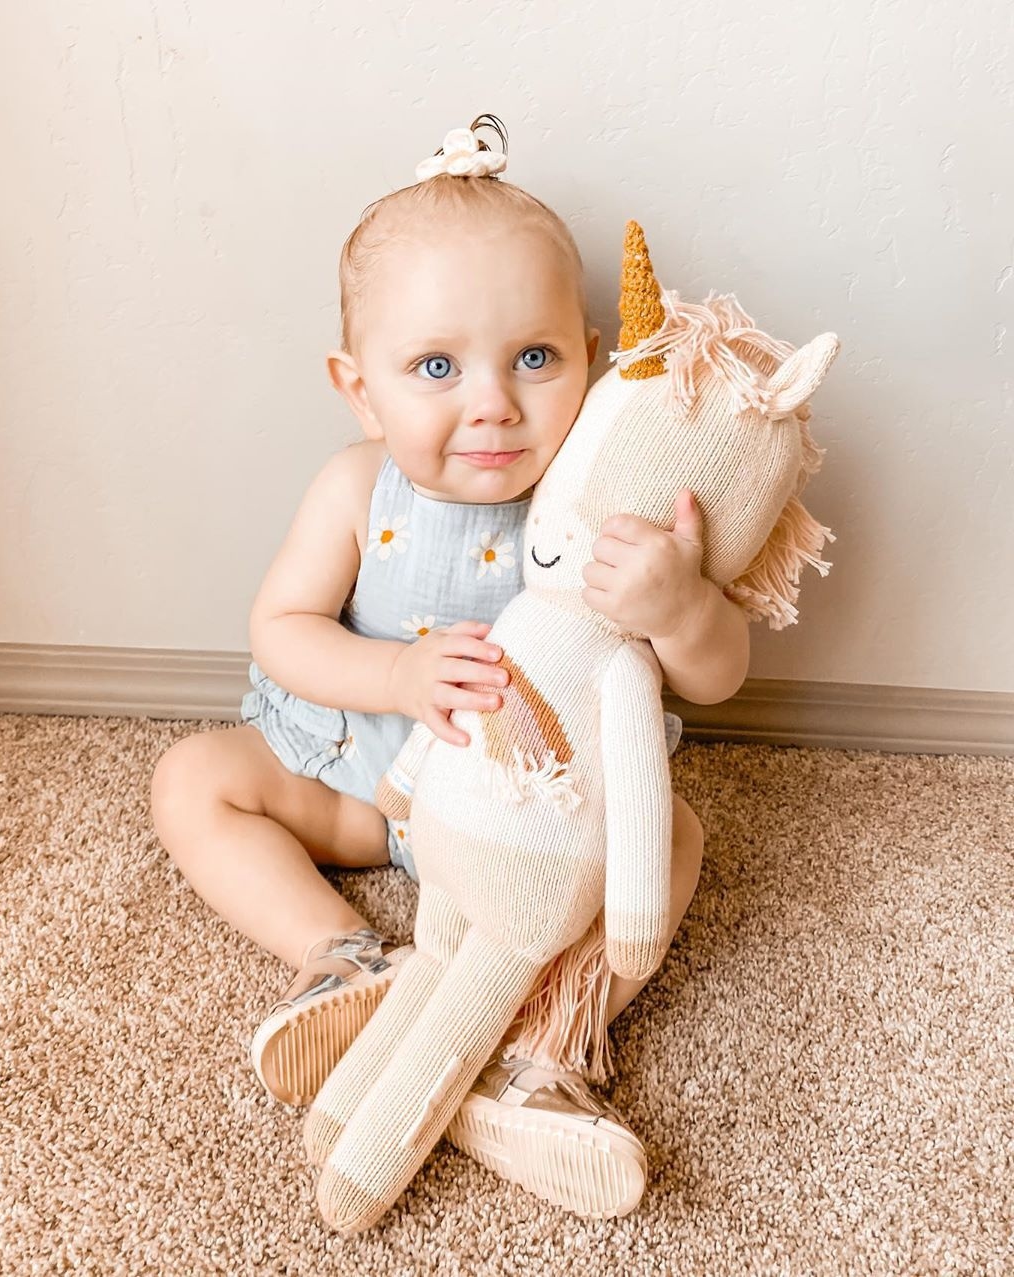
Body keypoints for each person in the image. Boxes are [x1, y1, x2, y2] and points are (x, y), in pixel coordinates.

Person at [150, 115, 748, 1217]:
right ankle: (341, 958)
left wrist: (682, 604)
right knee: (192, 778)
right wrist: (394, 680)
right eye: (436, 366)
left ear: (594, 354)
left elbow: (716, 679)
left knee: (675, 846)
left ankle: (544, 1044)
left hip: (532, 822)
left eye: (535, 357)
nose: (493, 401)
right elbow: (281, 625)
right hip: (364, 787)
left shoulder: (598, 500)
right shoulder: (353, 486)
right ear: (359, 385)